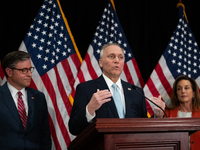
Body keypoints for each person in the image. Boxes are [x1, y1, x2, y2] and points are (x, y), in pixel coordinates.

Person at [69, 43, 147, 135]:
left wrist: (157, 116)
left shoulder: (136, 92)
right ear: (101, 62)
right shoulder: (86, 89)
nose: (117, 61)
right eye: (111, 56)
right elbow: (74, 128)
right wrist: (90, 109)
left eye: (120, 57)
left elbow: (143, 126)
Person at [0, 51, 51, 149]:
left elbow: (45, 135)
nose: (29, 74)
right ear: (9, 72)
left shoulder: (39, 97)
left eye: (30, 69)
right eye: (24, 70)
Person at [153, 75, 200, 150]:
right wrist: (159, 117)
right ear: (176, 93)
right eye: (179, 89)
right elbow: (158, 136)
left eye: (186, 88)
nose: (183, 91)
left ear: (194, 93)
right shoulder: (167, 113)